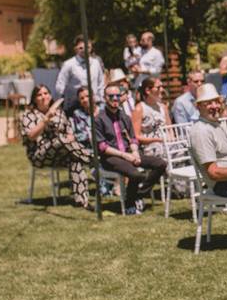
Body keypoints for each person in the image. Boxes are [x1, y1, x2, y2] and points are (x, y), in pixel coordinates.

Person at [93, 83, 167, 215]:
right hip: (110, 157)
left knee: (160, 164)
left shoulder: (125, 117)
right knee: (136, 174)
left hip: (129, 153)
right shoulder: (99, 119)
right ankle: (130, 203)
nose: (115, 99)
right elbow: (102, 147)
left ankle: (138, 194)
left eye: (118, 95)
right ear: (105, 98)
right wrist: (125, 155)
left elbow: (133, 139)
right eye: (111, 96)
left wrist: (135, 152)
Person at [20, 84, 92, 209]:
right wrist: (46, 119)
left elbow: (70, 132)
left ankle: (82, 201)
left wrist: (70, 136)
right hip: (39, 156)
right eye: (39, 94)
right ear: (34, 98)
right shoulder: (28, 115)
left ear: (50, 95)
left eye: (46, 93)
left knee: (75, 159)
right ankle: (91, 159)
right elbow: (31, 136)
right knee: (60, 140)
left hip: (60, 154)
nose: (43, 97)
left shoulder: (60, 113)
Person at [189, 83, 227, 198]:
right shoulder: (201, 131)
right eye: (208, 103)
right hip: (226, 185)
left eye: (217, 101)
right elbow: (214, 173)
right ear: (198, 107)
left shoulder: (218, 124)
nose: (215, 106)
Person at [54, 35, 105, 114]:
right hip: (75, 105)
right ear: (76, 49)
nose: (84, 50)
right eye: (81, 48)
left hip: (94, 104)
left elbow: (100, 83)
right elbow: (60, 85)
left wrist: (101, 100)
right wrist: (63, 101)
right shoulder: (69, 64)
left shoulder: (96, 63)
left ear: (91, 48)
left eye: (87, 47)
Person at [132, 77, 171, 158]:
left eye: (162, 86)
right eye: (158, 87)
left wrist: (171, 139)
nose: (162, 89)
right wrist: (158, 140)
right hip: (150, 146)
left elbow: (170, 129)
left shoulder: (163, 107)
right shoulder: (139, 109)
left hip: (166, 143)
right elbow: (137, 136)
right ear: (148, 91)